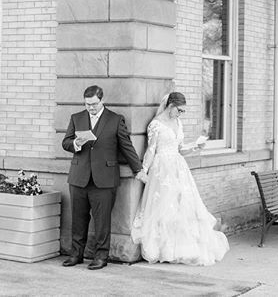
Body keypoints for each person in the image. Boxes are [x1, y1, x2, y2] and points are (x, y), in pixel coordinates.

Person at [131, 92, 229, 266]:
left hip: (179, 168)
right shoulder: (156, 125)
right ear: (171, 106)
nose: (181, 114)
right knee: (165, 207)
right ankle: (164, 248)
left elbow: (180, 148)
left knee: (183, 205)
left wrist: (195, 146)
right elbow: (151, 150)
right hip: (162, 170)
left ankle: (181, 247)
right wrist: (143, 170)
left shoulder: (178, 122)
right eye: (180, 110)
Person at [61, 85, 143, 270]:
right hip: (78, 177)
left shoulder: (115, 120)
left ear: (102, 100)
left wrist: (138, 169)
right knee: (78, 219)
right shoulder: (76, 118)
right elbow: (65, 142)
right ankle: (76, 254)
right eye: (87, 104)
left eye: (94, 104)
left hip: (104, 179)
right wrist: (75, 143)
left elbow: (126, 146)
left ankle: (100, 256)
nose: (91, 107)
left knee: (102, 221)